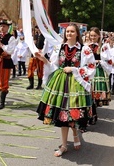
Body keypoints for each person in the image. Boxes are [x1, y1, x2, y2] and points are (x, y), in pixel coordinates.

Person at [35, 24, 95, 157]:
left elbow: (91, 67)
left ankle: (75, 134)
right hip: (60, 82)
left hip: (76, 83)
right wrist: (43, 59)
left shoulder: (85, 49)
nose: (69, 33)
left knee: (72, 112)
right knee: (62, 115)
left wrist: (74, 69)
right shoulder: (59, 47)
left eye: (72, 31)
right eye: (67, 31)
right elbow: (54, 66)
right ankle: (64, 145)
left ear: (77, 34)